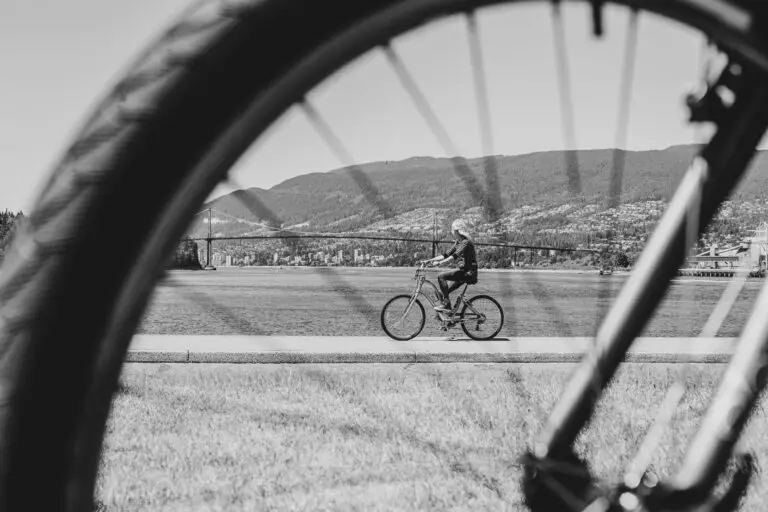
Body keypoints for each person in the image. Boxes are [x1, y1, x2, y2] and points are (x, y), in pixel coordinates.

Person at [422, 219, 478, 312]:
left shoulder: (465, 243)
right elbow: (445, 255)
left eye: (453, 231)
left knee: (441, 277)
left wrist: (439, 264)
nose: (452, 233)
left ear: (457, 231)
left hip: (469, 274)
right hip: (463, 272)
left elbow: (453, 257)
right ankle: (449, 319)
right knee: (441, 293)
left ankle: (447, 305)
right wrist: (429, 261)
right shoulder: (458, 243)